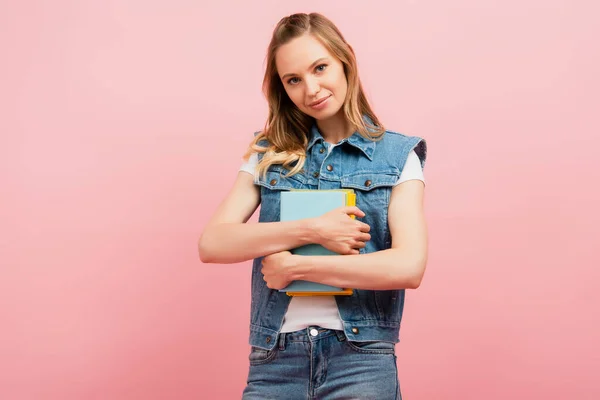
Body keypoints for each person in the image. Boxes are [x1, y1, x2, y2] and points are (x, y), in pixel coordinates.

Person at [198, 12, 428, 400]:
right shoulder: (269, 153)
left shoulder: (397, 155)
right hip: (275, 360)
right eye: (294, 80)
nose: (311, 88)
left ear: (345, 60)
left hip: (361, 362)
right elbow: (213, 243)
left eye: (320, 68)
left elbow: (409, 266)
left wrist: (300, 266)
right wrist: (313, 230)